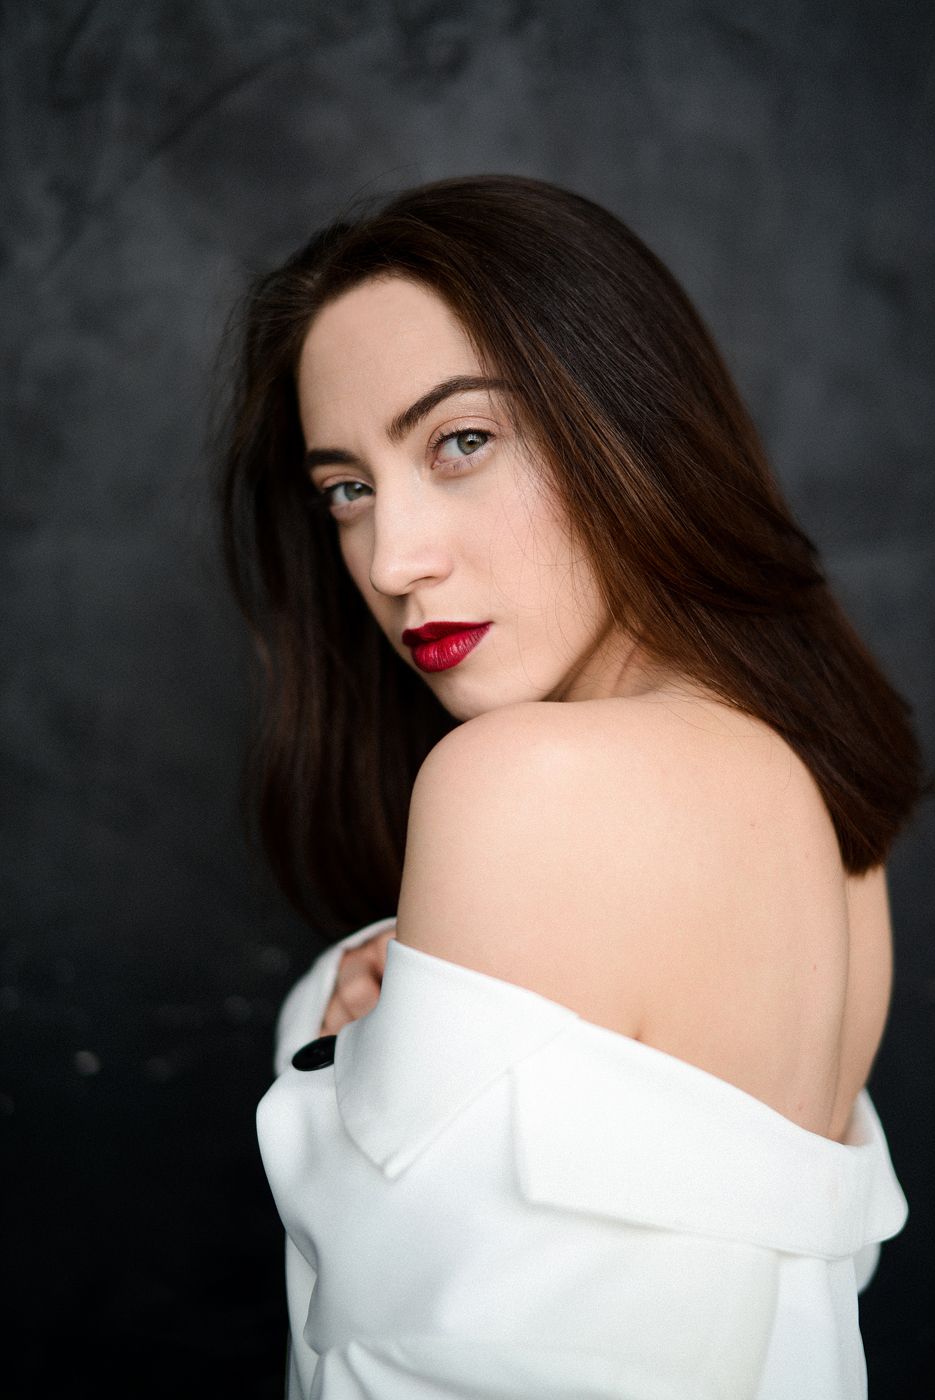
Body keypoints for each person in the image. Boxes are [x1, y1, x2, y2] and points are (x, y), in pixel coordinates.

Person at [218, 173, 925, 1399]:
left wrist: (336, 1059)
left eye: (461, 441)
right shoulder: (824, 817)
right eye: (348, 488)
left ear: (629, 416)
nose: (392, 559)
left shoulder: (525, 780)